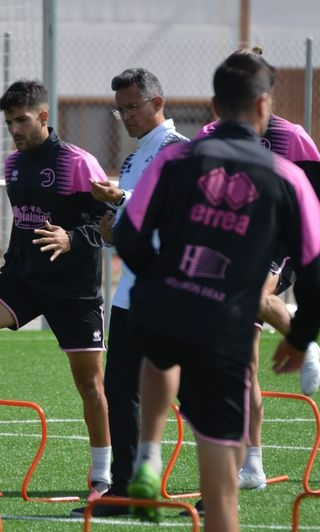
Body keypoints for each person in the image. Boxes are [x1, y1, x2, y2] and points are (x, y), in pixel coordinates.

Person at [113, 51, 320, 530]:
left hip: (160, 307)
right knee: (221, 495)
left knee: (162, 350)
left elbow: (129, 234)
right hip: (224, 324)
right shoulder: (287, 177)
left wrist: (155, 279)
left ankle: (149, 455)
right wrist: (301, 338)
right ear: (264, 107)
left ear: (214, 107)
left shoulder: (174, 158)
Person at [191, 47, 320, 504]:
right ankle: (252, 466)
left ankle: (303, 335)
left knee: (256, 292)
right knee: (244, 367)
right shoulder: (211, 135)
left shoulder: (290, 137)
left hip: (281, 243)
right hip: (231, 245)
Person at [0, 79, 113, 502]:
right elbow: (24, 221)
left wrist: (71, 238)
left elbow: (111, 225)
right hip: (23, 282)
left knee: (91, 386)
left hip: (73, 292)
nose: (15, 129)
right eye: (9, 122)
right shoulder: (12, 164)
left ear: (43, 117)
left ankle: (102, 477)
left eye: (22, 120)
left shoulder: (79, 162)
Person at [70, 67, 188, 518]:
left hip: (172, 291)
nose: (125, 116)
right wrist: (111, 228)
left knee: (192, 394)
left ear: (158, 103)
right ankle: (125, 488)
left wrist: (121, 198)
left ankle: (221, 483)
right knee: (121, 391)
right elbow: (136, 224)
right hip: (131, 292)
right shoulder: (137, 157)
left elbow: (171, 206)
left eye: (132, 107)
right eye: (119, 110)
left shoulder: (179, 151)